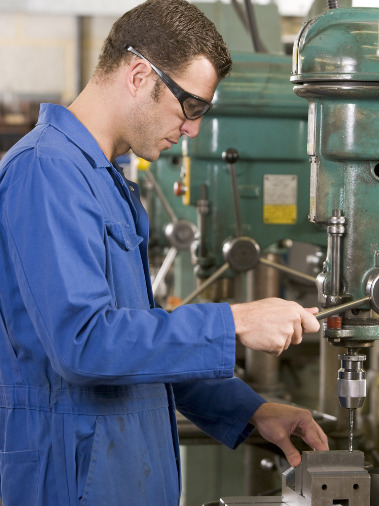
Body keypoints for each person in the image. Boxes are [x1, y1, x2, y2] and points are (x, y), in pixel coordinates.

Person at [0, 1, 328, 504]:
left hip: (121, 472)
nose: (193, 128)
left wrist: (250, 410)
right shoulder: (46, 172)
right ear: (137, 75)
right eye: (191, 106)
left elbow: (143, 348)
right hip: (69, 476)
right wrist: (234, 321)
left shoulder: (107, 182)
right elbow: (83, 343)